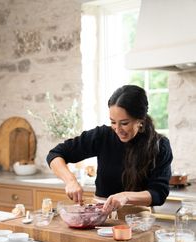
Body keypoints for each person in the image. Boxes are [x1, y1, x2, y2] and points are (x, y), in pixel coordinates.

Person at [46, 85, 173, 216]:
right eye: (113, 122)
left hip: (137, 220)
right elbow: (55, 154)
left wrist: (126, 196)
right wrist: (70, 181)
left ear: (140, 120)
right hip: (100, 217)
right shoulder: (102, 136)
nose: (117, 129)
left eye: (124, 123)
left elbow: (159, 193)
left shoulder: (160, 145)